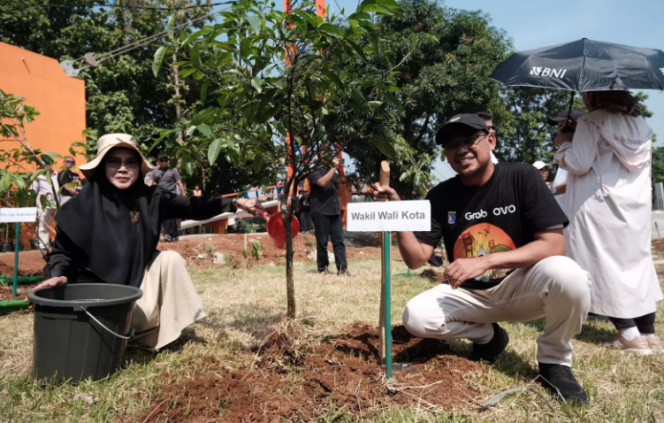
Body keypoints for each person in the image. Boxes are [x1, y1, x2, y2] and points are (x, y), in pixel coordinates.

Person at [373, 114, 591, 403]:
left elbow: (553, 245)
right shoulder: (440, 196)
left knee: (569, 275)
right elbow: (416, 260)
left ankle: (555, 361)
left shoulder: (521, 176)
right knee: (416, 317)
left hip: (521, 286)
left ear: (491, 140)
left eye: (468, 140)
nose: (460, 149)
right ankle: (488, 337)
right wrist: (398, 215)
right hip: (470, 295)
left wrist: (485, 261)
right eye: (451, 146)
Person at [36, 134, 260, 351]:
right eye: (114, 162)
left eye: (130, 163)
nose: (123, 168)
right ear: (102, 166)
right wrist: (59, 275)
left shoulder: (150, 199)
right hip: (97, 308)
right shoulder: (78, 208)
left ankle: (160, 335)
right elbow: (61, 253)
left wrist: (234, 203)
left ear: (138, 168)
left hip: (136, 296)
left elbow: (191, 205)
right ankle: (120, 337)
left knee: (169, 259)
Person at [554, 91, 663, 354]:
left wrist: (564, 142)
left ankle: (629, 335)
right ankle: (649, 335)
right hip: (634, 207)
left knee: (602, 267)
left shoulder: (593, 121)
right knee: (637, 266)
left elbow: (578, 164)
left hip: (598, 205)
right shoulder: (641, 124)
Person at [308, 156, 349, 275]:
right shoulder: (314, 171)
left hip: (334, 210)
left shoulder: (332, 172)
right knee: (322, 241)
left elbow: (337, 187)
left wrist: (339, 172)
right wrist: (333, 168)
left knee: (339, 241)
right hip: (320, 210)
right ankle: (322, 268)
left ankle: (342, 269)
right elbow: (322, 183)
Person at [547, 110, 586, 213]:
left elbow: (575, 181)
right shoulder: (569, 149)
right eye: (558, 126)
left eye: (562, 125)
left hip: (575, 211)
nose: (558, 129)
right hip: (564, 210)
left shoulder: (580, 151)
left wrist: (550, 191)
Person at [148, 156, 187, 242]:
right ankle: (167, 234)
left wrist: (184, 196)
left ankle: (171, 234)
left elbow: (179, 184)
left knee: (170, 216)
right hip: (160, 195)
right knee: (162, 215)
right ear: (159, 161)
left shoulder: (173, 170)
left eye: (166, 160)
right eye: (162, 160)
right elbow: (150, 182)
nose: (164, 162)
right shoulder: (155, 171)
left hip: (171, 194)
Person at [31, 162, 60, 251]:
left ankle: (60, 245)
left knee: (60, 225)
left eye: (49, 163)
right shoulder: (38, 177)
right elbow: (32, 191)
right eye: (45, 164)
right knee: (43, 225)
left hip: (57, 203)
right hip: (44, 204)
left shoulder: (57, 175)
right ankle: (44, 246)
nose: (47, 165)